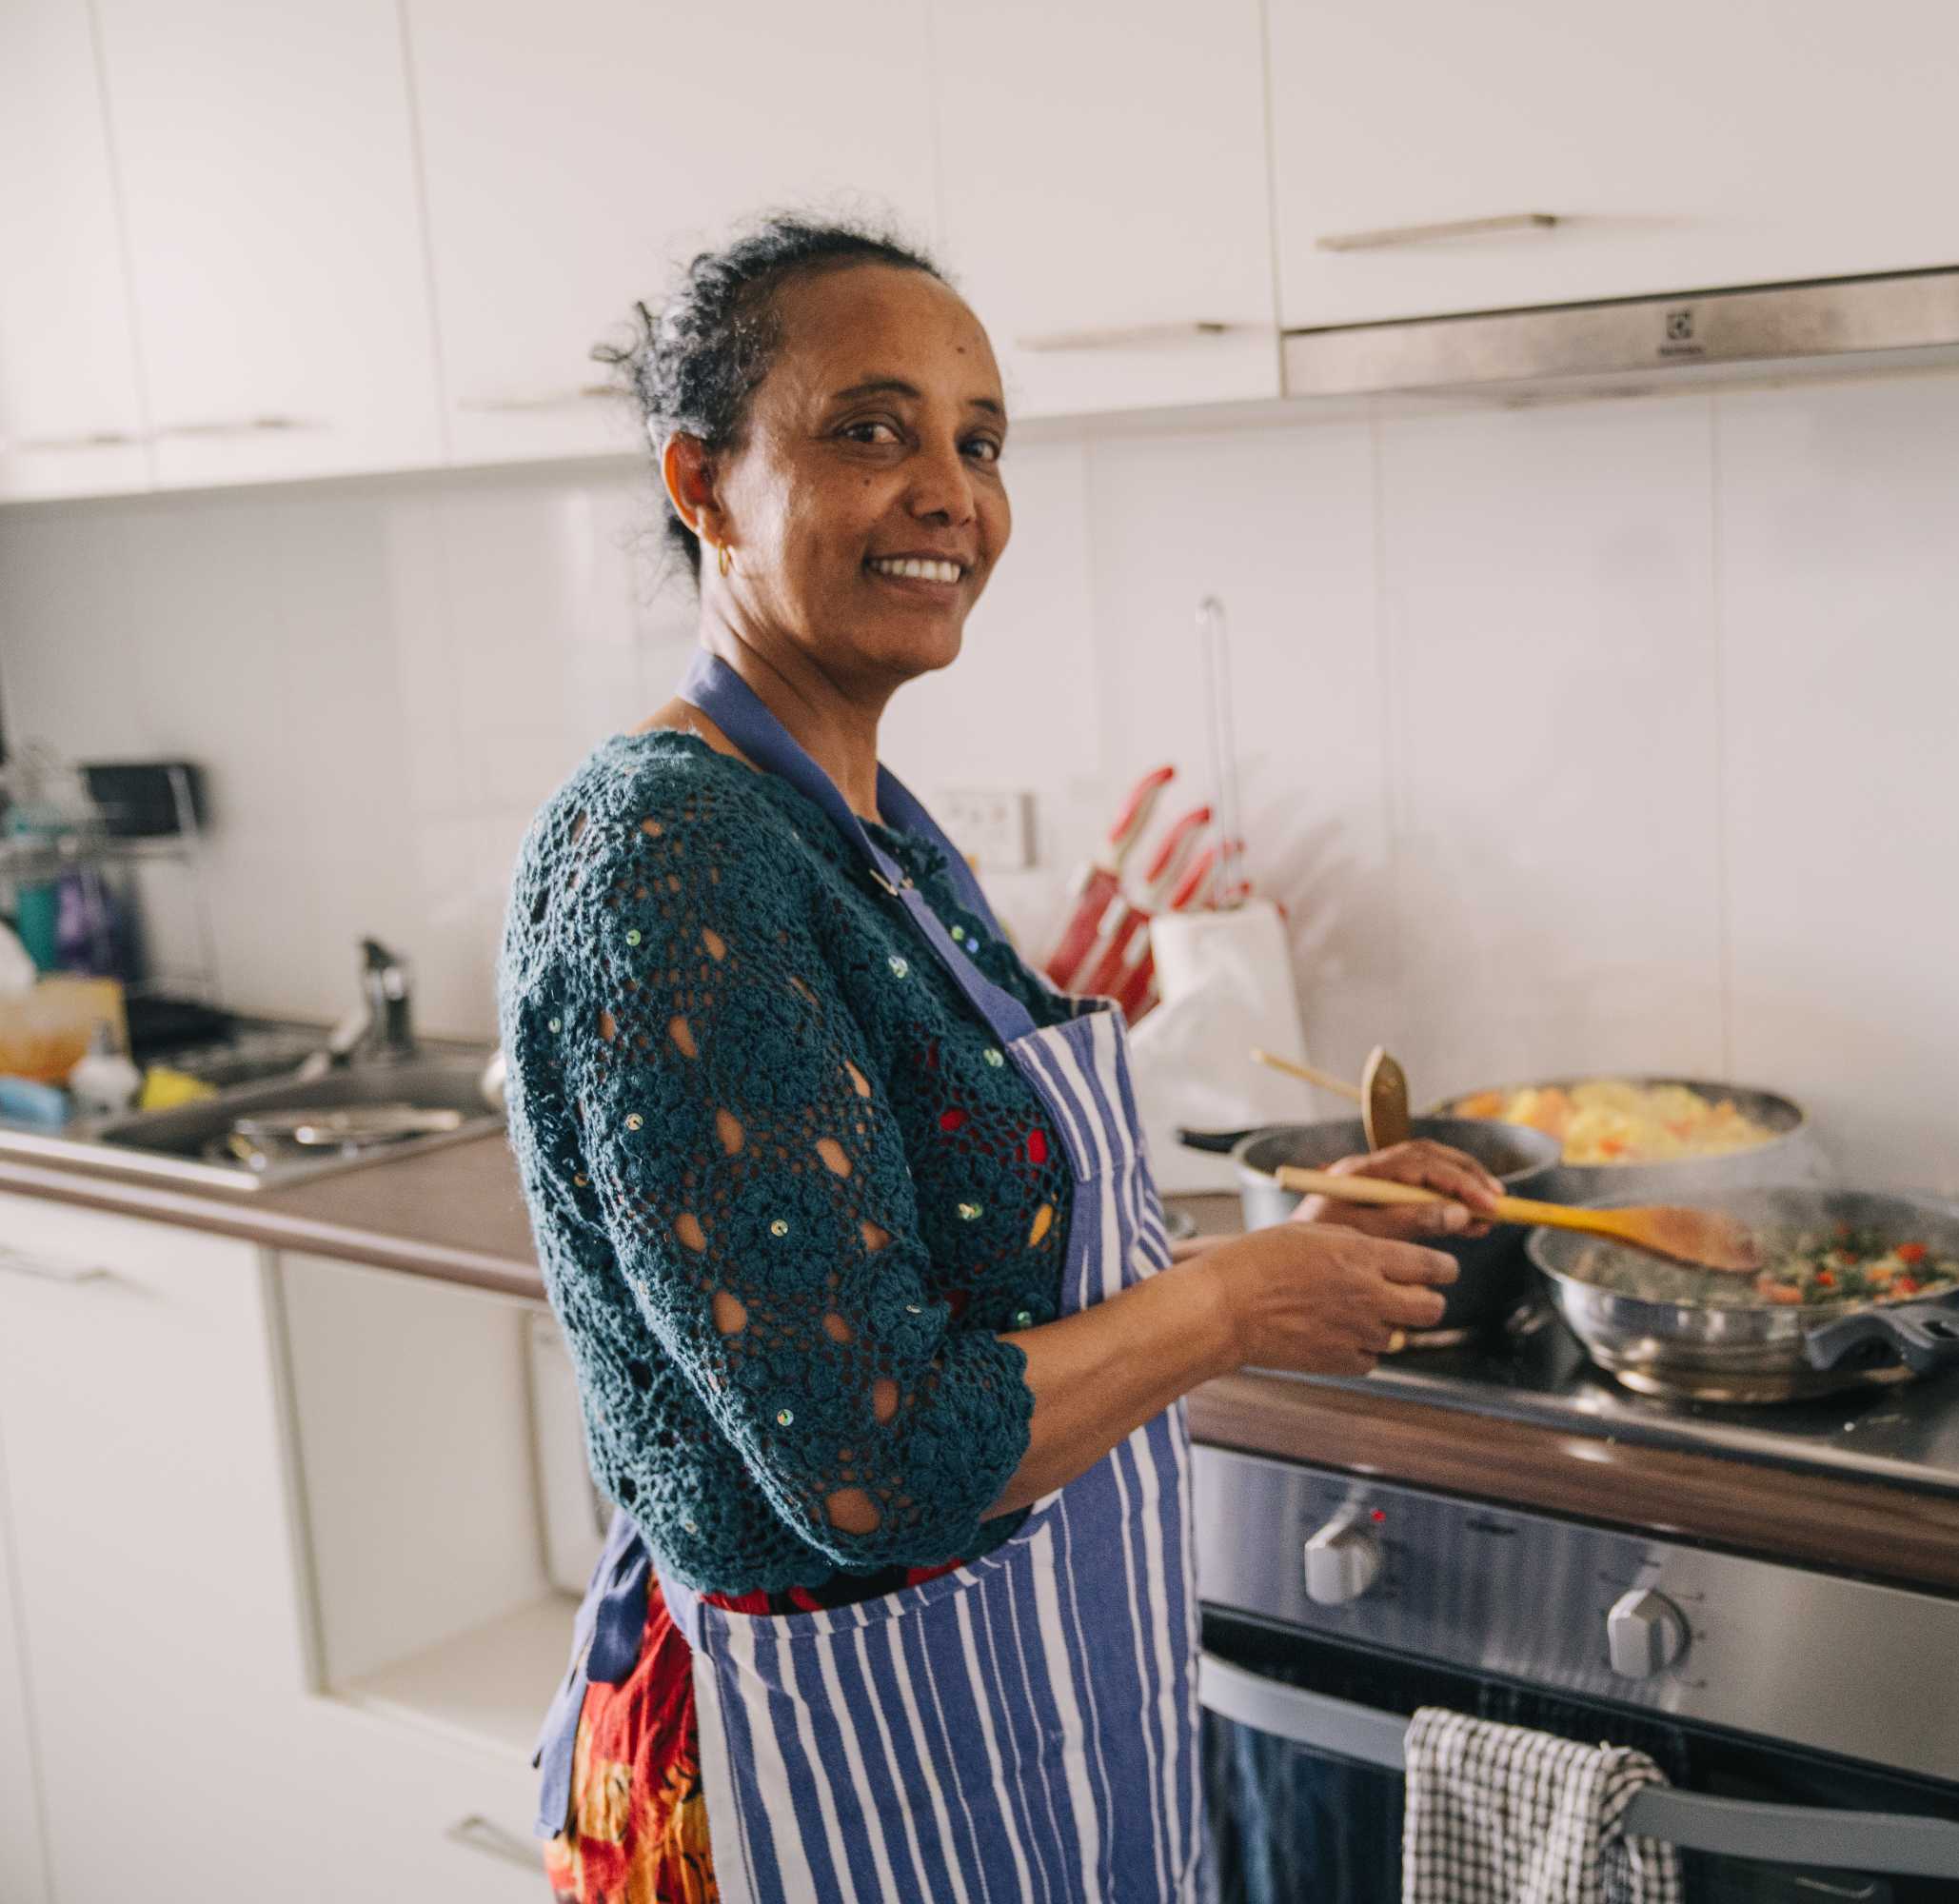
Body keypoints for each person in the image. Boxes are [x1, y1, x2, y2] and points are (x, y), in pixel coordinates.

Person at [498, 214, 1503, 1904]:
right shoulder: (672, 850)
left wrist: (1301, 1223)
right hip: (809, 1768)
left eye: (979, 442)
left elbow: (971, 1251)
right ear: (702, 481)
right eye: (868, 430)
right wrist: (1246, 1301)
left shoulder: (866, 826)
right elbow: (873, 1455)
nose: (949, 490)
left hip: (995, 1719)